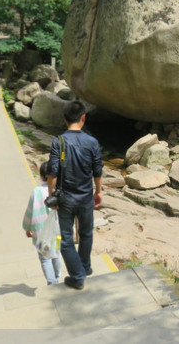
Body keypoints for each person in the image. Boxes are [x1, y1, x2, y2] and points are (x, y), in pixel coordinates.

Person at [47, 100, 103, 290]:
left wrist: (52, 196)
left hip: (66, 200)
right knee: (86, 234)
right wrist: (99, 192)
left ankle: (78, 275)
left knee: (66, 240)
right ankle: (85, 267)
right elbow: (97, 171)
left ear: (65, 119)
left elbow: (52, 172)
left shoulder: (59, 141)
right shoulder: (92, 142)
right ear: (83, 118)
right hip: (86, 197)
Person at [23, 161, 63, 285]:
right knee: (55, 253)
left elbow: (30, 211)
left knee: (45, 259)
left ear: (41, 175)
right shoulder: (58, 190)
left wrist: (27, 227)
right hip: (56, 230)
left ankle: (52, 282)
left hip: (40, 231)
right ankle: (56, 276)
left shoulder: (36, 192)